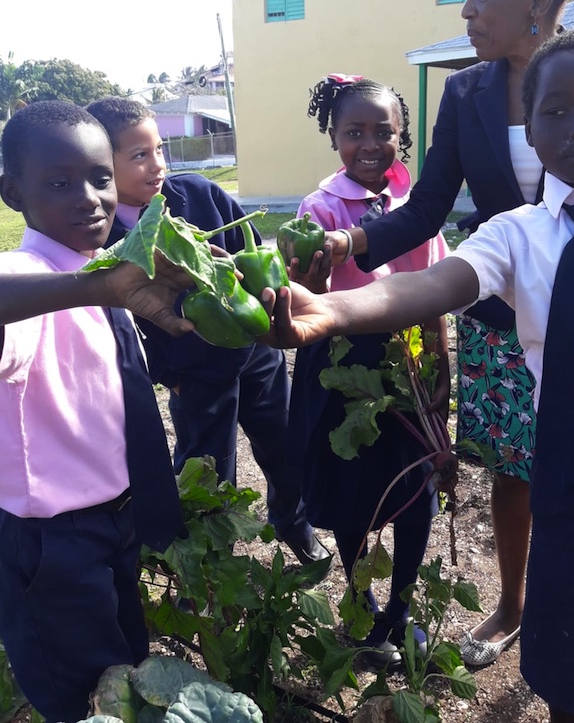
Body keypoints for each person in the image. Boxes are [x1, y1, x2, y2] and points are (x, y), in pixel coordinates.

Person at [267, 27, 574, 723]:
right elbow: (426, 287)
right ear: (530, 130)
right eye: (554, 112)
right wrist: (333, 310)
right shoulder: (513, 234)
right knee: (573, 671)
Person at [318, 0, 574, 665]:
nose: (465, 11)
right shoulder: (466, 94)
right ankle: (510, 604)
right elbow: (426, 206)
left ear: (536, 3)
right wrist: (350, 245)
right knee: (513, 468)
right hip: (501, 318)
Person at [0, 100, 194, 722]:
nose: (89, 198)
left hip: (114, 522)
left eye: (100, 177)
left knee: (123, 673)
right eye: (59, 184)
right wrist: (91, 287)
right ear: (12, 194)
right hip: (50, 543)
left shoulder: (107, 273)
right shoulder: (30, 278)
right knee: (82, 695)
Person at [86, 97, 328, 566]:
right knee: (208, 471)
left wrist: (267, 295)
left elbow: (254, 255)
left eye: (160, 150)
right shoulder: (108, 241)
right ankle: (207, 562)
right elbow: (123, 326)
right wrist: (165, 374)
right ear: (103, 166)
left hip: (256, 354)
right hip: (192, 372)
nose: (157, 164)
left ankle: (293, 522)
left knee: (283, 445)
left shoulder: (199, 195)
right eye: (139, 155)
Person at [287, 75, 450, 668]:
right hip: (340, 365)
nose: (371, 144)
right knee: (351, 493)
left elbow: (432, 295)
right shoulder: (319, 208)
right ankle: (361, 608)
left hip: (404, 358)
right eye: (355, 132)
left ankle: (402, 613)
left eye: (385, 131)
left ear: (402, 137)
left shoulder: (417, 207)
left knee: (414, 492)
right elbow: (308, 296)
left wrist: (439, 381)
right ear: (334, 137)